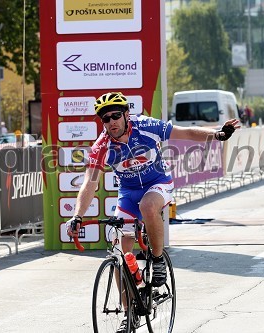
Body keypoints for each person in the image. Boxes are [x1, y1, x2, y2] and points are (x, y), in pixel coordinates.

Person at [65, 92, 239, 331]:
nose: (111, 122)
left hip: (158, 184)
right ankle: (130, 313)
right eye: (106, 119)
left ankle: (157, 259)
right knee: (119, 252)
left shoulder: (145, 126)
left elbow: (184, 133)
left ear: (127, 114)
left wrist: (218, 134)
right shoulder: (102, 146)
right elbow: (90, 183)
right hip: (128, 193)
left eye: (116, 115)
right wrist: (77, 215)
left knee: (148, 206)